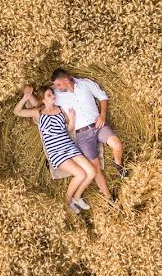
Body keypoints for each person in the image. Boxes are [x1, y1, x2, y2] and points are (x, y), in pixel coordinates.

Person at [13, 86, 96, 215]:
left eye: (52, 94)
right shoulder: (38, 113)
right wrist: (25, 98)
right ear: (43, 100)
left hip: (69, 146)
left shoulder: (61, 110)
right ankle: (67, 201)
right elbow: (17, 111)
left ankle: (77, 197)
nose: (53, 96)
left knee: (91, 172)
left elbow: (69, 128)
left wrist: (72, 119)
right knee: (80, 174)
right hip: (56, 151)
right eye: (49, 95)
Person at [50, 68, 127, 201]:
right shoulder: (57, 95)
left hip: (98, 125)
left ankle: (118, 166)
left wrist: (102, 116)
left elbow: (102, 97)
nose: (56, 88)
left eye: (58, 84)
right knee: (95, 168)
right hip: (83, 135)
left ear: (66, 79)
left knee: (117, 144)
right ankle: (109, 197)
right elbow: (43, 100)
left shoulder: (85, 83)